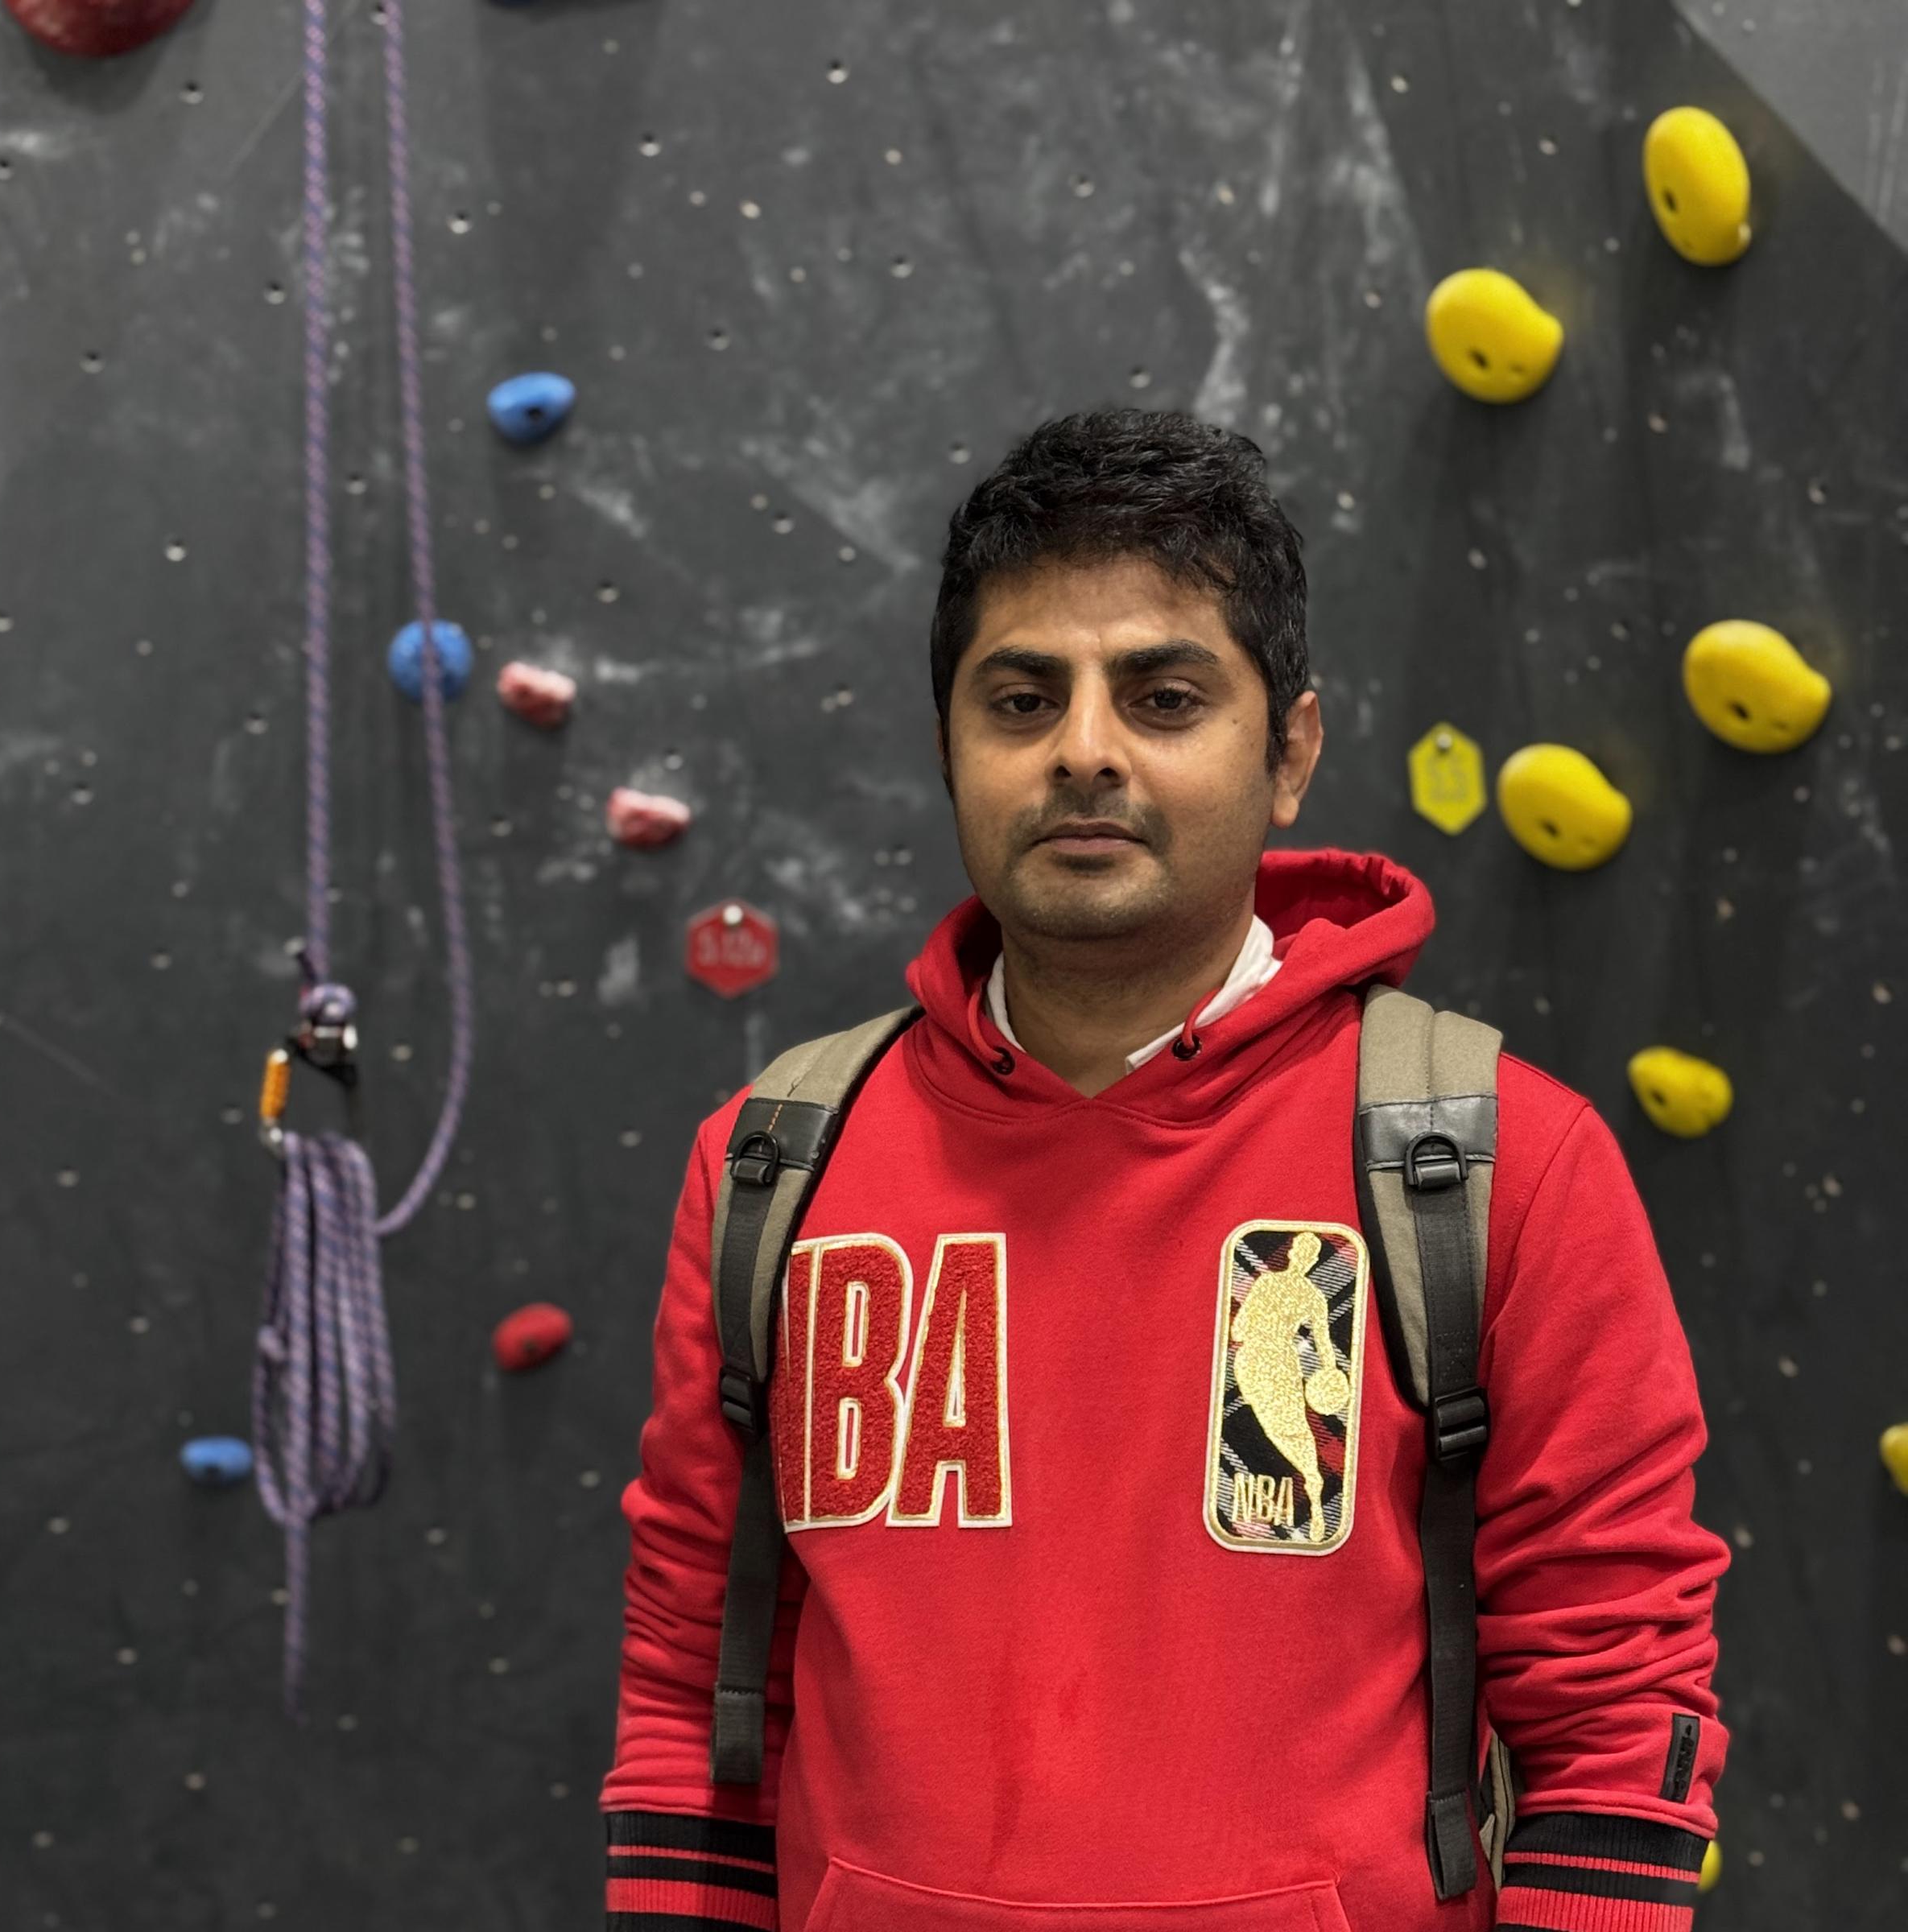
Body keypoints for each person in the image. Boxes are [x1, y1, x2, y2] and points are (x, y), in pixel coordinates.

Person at [597, 408, 1730, 1931]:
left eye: (1165, 696)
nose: (1084, 749)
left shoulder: (1490, 1164)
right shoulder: (774, 1165)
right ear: (949, 749)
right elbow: (699, 1684)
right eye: (1021, 699)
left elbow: (1616, 1716)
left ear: (1290, 754)